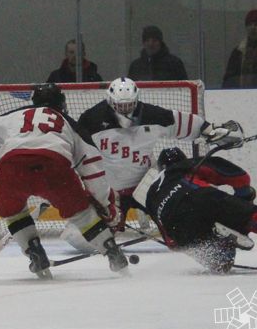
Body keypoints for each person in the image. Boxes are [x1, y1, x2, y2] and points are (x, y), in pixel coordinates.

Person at [0, 83, 127, 279]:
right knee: (82, 215)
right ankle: (112, 252)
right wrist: (105, 206)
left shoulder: (13, 116)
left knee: (14, 212)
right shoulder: (71, 124)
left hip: (12, 169)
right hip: (54, 170)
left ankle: (35, 253)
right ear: (62, 104)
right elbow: (93, 172)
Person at [75, 77, 241, 228]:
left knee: (176, 226)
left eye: (129, 105)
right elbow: (76, 148)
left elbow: (182, 123)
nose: (125, 110)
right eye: (120, 106)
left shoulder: (151, 114)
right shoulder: (92, 119)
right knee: (83, 239)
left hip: (146, 186)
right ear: (110, 102)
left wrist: (210, 130)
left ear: (136, 100)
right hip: (111, 191)